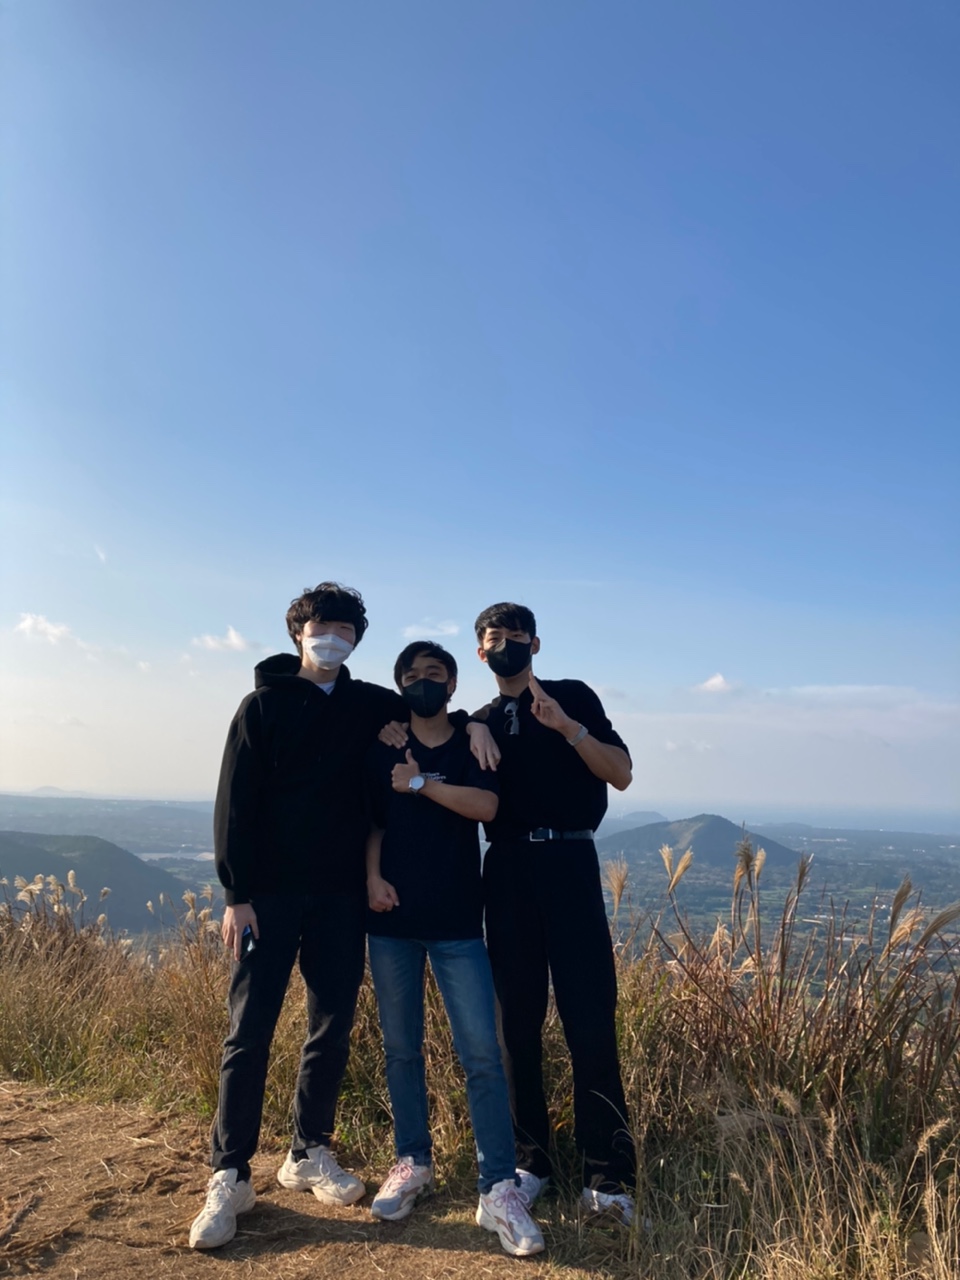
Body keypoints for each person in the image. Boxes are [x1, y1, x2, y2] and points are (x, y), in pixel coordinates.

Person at [189, 582, 409, 1250]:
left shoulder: (372, 705)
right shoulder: (262, 707)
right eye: (321, 627)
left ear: (357, 639)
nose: (332, 638)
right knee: (248, 1030)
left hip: (342, 896)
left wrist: (467, 728)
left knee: (331, 1025)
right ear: (297, 633)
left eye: (345, 629)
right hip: (268, 897)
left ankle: (308, 1151)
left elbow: (433, 720)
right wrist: (236, 894)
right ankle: (230, 1172)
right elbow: (235, 801)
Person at [364, 641, 544, 1257]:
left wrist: (419, 782)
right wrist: (372, 878)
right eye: (412, 676)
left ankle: (497, 1188)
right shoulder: (385, 744)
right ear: (400, 684)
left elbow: (485, 806)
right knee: (401, 1050)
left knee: (483, 1056)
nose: (423, 683)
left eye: (434, 674)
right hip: (391, 922)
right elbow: (374, 822)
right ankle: (413, 1162)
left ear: (453, 682)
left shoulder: (471, 744)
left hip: (459, 923)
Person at [472, 602, 637, 1223]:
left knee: (589, 1016)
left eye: (517, 635)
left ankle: (608, 1176)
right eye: (495, 637)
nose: (507, 644)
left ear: (535, 645)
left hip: (570, 861)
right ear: (480, 652)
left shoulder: (573, 696)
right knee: (515, 1022)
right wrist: (471, 726)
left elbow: (621, 774)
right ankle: (530, 1162)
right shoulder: (479, 719)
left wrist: (568, 727)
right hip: (507, 870)